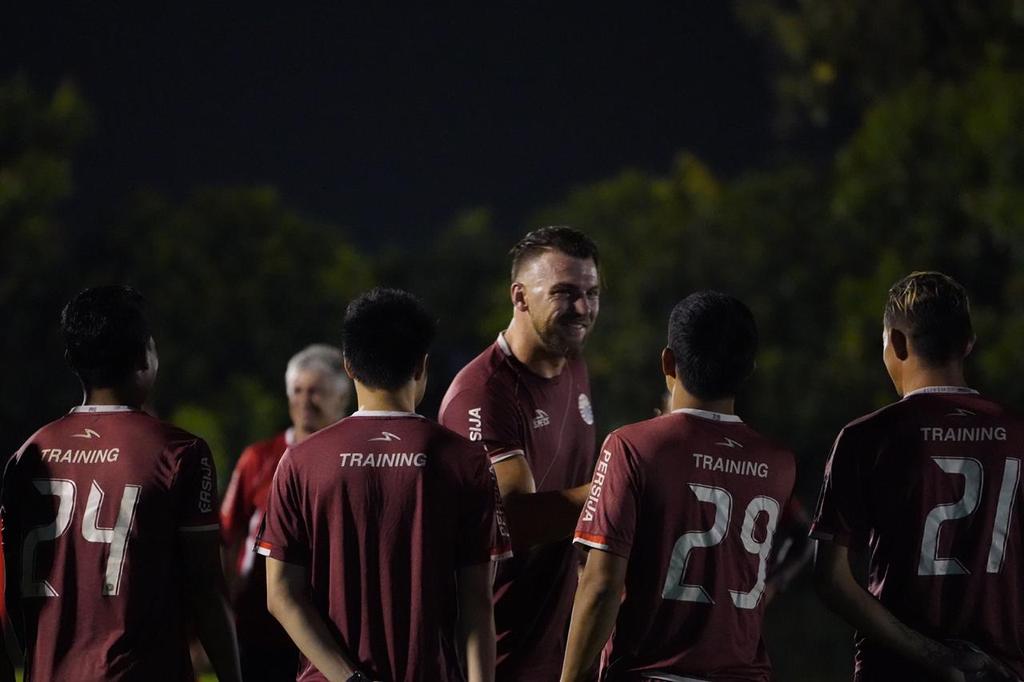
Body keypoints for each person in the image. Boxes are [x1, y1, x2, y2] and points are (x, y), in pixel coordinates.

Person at [257, 287, 511, 682]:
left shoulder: (300, 461)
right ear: (421, 367)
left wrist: (349, 678)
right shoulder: (466, 460)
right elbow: (477, 602)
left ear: (348, 367)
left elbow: (281, 595)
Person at [0, 285, 241, 681]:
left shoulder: (27, 456)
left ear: (71, 359)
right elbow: (206, 590)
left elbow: (13, 598)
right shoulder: (179, 453)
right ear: (144, 356)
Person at [560, 291, 796, 682]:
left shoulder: (631, 446)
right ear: (748, 369)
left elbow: (601, 584)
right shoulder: (779, 462)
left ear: (668, 362)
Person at [811, 271, 1022, 681]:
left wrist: (934, 657)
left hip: (895, 671)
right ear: (968, 344)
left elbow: (831, 579)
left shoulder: (865, 437)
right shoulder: (1017, 434)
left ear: (897, 343)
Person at [439, 226, 600, 681]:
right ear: (520, 296)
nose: (583, 309)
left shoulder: (574, 365)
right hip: (498, 658)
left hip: (558, 652)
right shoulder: (484, 393)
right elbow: (513, 519)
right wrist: (625, 480)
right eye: (565, 293)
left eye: (592, 293)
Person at [220, 343, 351, 681]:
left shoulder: (353, 459)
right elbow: (227, 536)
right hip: (260, 622)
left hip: (330, 619)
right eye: (298, 390)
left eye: (317, 392)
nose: (305, 401)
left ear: (342, 398)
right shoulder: (259, 459)